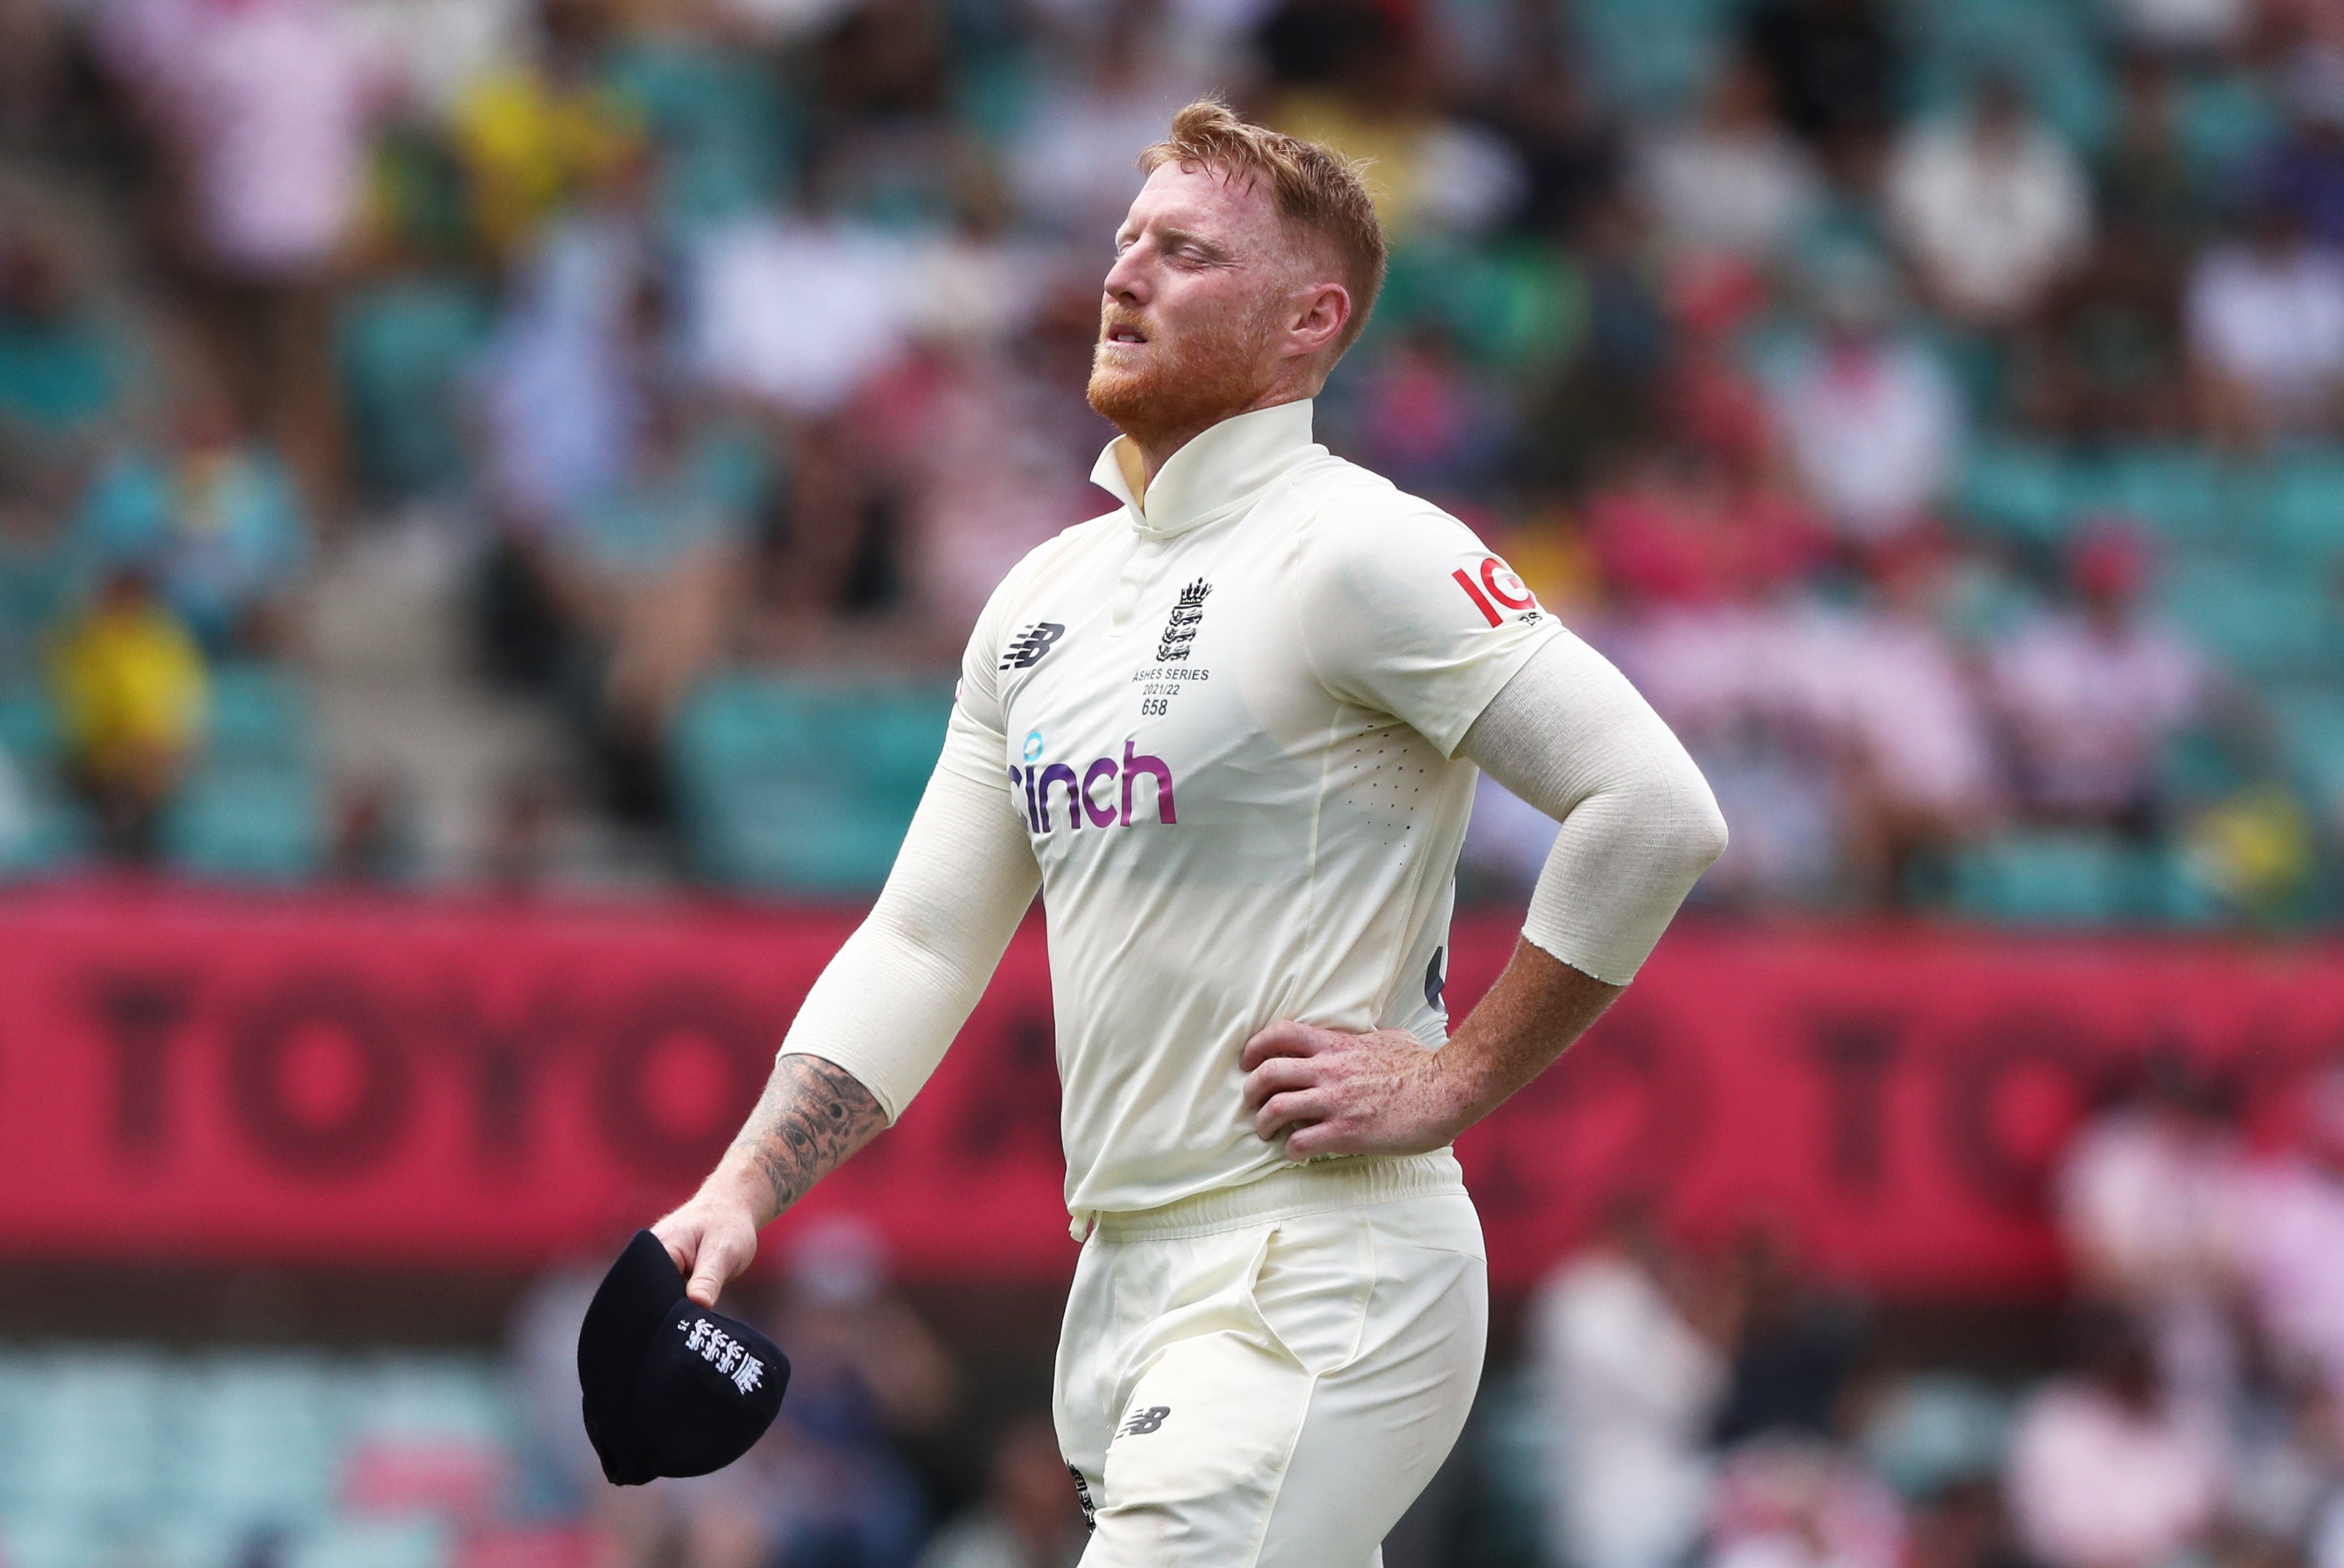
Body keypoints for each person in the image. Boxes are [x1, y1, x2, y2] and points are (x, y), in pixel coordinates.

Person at [653, 100, 1727, 1567]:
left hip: (1318, 1268)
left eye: (1183, 252)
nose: (1124, 274)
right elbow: (919, 939)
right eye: (1122, 241)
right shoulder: (1039, 602)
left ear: (1310, 320)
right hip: (1124, 1284)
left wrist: (1459, 1077)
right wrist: (744, 1186)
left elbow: (1654, 809)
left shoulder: (1364, 547)